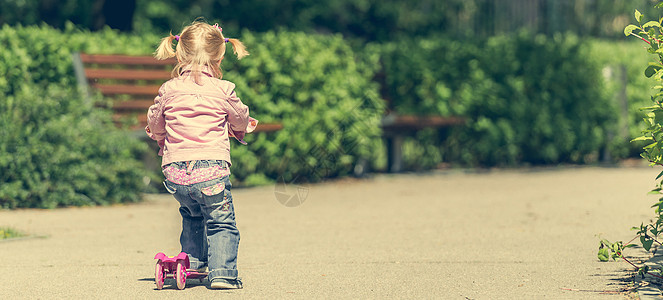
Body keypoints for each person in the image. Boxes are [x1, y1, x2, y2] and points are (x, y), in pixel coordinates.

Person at [145, 20, 257, 290]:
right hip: (211, 173)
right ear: (220, 55)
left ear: (179, 53)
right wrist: (239, 128)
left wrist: (163, 137)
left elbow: (156, 123)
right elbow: (240, 119)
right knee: (220, 221)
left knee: (192, 214)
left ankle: (192, 263)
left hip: (176, 174)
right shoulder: (224, 89)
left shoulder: (168, 89)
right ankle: (222, 273)